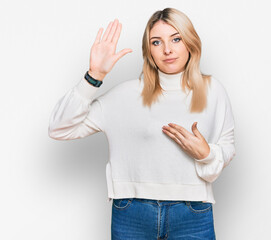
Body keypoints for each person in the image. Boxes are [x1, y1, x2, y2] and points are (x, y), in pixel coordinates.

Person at [48, 7, 236, 240]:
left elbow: (228, 146)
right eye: (156, 42)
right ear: (149, 51)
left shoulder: (212, 90)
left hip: (192, 214)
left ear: (190, 42)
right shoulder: (126, 94)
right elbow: (58, 128)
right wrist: (93, 76)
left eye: (176, 39)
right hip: (132, 214)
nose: (167, 49)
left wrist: (207, 154)